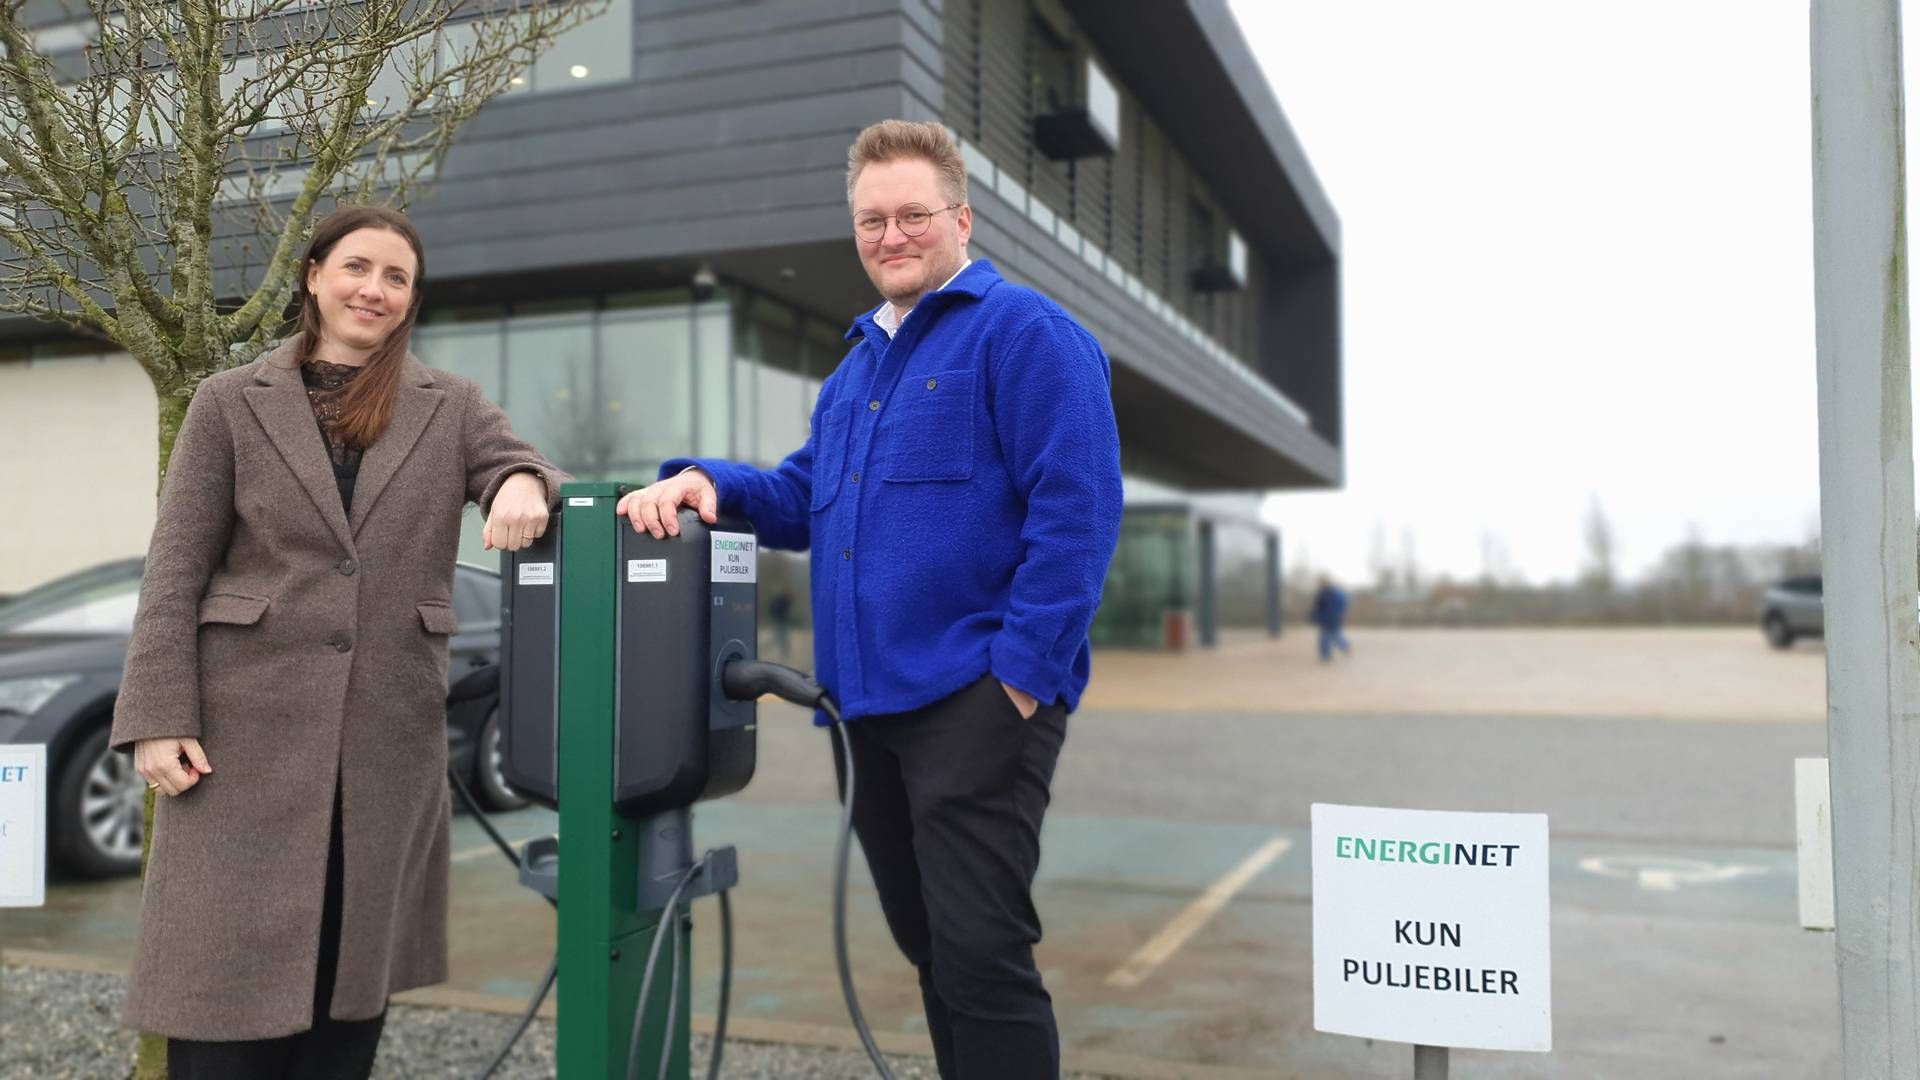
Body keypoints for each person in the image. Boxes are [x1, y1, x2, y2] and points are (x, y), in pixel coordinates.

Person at [617, 119, 1122, 1079]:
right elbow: (805, 498)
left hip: (974, 702)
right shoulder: (857, 371)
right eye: (871, 220)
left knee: (982, 955)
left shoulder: (1027, 336)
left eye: (912, 215)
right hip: (865, 715)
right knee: (929, 947)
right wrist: (707, 484)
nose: (890, 235)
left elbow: (1081, 512)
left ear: (961, 218)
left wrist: (1019, 676)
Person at [109, 205, 565, 1078]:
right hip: (236, 748)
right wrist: (156, 716)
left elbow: (533, 469)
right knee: (217, 1013)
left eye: (397, 278)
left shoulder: (450, 405)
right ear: (314, 275)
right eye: (358, 267)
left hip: (382, 752)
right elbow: (173, 571)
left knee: (344, 1012)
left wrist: (520, 480)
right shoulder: (228, 402)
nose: (375, 290)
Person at [1311, 575, 1351, 661]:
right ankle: (1344, 645)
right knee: (1332, 635)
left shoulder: (1324, 593)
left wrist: (1314, 616)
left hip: (1327, 618)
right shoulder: (1335, 592)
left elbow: (1318, 607)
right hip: (1335, 617)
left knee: (1325, 636)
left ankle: (1326, 655)